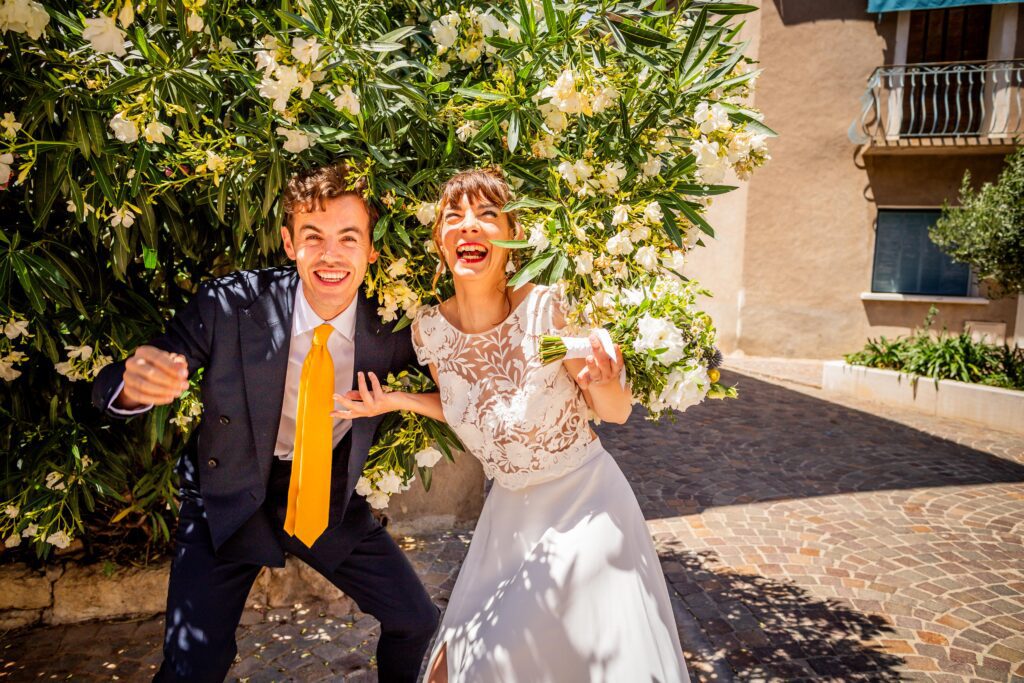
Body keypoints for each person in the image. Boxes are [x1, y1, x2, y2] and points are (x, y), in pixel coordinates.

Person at [335, 167, 690, 682]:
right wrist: (396, 400)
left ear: (512, 237)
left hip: (585, 507)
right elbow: (471, 406)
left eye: (486, 214)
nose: (469, 225)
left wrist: (607, 378)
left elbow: (615, 412)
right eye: (453, 216)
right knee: (449, 669)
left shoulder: (545, 310)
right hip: (508, 518)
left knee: (502, 661)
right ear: (440, 240)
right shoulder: (430, 332)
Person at [91, 162, 439, 683]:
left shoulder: (394, 324)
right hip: (227, 492)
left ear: (371, 249)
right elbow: (140, 368)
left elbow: (462, 386)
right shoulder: (231, 304)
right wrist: (130, 384)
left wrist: (402, 400)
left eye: (348, 238)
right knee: (192, 666)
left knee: (417, 622)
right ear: (288, 242)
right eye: (312, 236)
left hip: (323, 489)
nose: (330, 255)